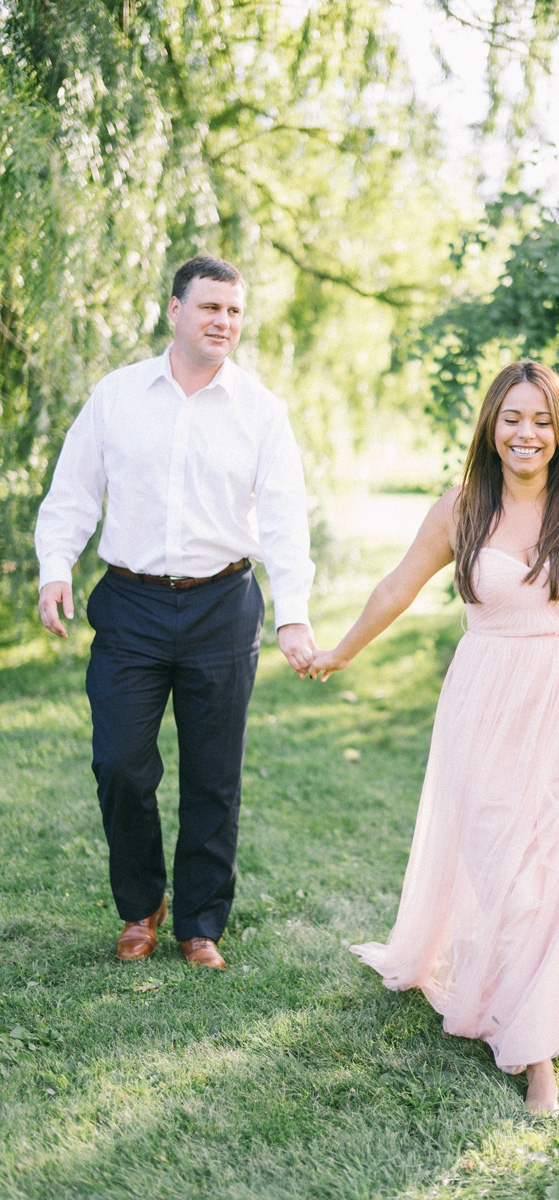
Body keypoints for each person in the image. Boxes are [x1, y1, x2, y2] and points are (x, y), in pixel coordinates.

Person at [309, 360, 559, 1112]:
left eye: (543, 420)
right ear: (492, 424)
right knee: (500, 864)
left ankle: (534, 1044)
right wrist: (339, 652)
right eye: (513, 418)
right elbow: (396, 586)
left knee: (547, 865)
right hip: (483, 703)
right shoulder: (460, 509)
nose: (527, 433)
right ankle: (528, 1034)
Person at [35, 255, 316, 969]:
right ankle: (140, 907)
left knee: (213, 773)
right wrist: (53, 569)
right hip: (129, 602)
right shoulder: (118, 395)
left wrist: (293, 614)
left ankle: (199, 923)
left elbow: (285, 520)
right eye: (209, 308)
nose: (223, 322)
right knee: (120, 763)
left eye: (233, 311)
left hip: (224, 603)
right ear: (175, 310)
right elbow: (73, 491)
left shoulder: (260, 410)